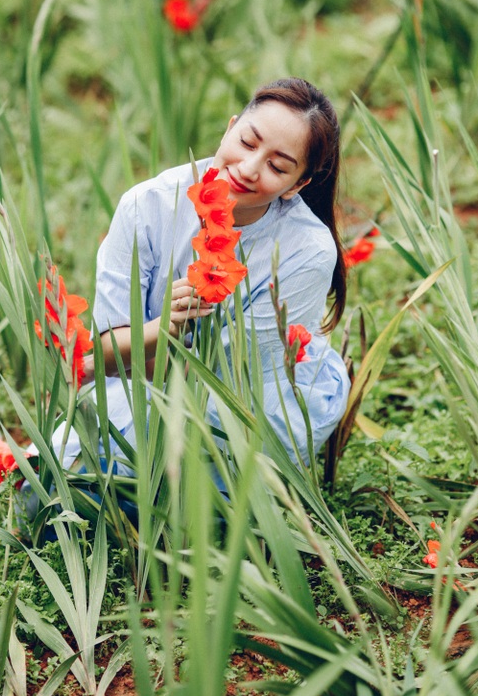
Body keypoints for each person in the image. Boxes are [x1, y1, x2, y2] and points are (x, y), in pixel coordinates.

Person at [52, 77, 350, 479]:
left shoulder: (307, 250)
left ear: (296, 186)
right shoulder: (147, 206)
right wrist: (165, 328)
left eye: (277, 166)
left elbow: (232, 380)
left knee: (185, 503)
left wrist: (118, 361)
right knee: (53, 493)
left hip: (244, 401)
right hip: (142, 381)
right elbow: (108, 350)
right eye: (247, 142)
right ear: (230, 128)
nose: (247, 169)